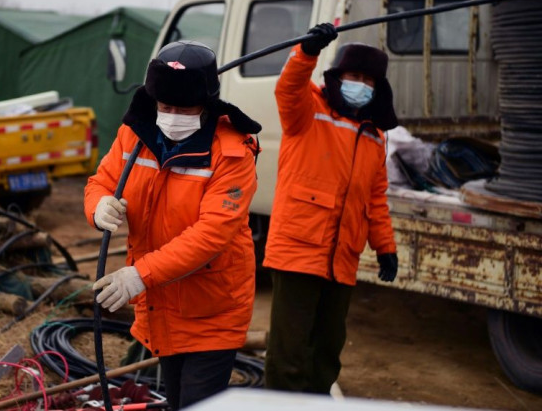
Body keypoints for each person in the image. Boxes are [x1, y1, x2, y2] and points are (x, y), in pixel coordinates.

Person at [85, 40, 262, 410]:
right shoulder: (134, 135)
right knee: (176, 400)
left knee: (197, 403)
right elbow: (101, 181)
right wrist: (98, 205)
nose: (172, 115)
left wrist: (139, 275)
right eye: (165, 107)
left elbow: (211, 234)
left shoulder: (232, 153)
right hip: (162, 304)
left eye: (184, 108)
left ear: (206, 105)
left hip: (213, 309)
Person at [263, 23, 400, 394]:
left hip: (343, 258)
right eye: (354, 76)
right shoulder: (308, 110)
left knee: (326, 352)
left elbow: (376, 197)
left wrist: (385, 246)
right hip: (298, 250)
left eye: (369, 80)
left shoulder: (375, 135)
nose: (362, 85)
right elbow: (287, 87)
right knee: (288, 352)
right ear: (338, 77)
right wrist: (305, 52)